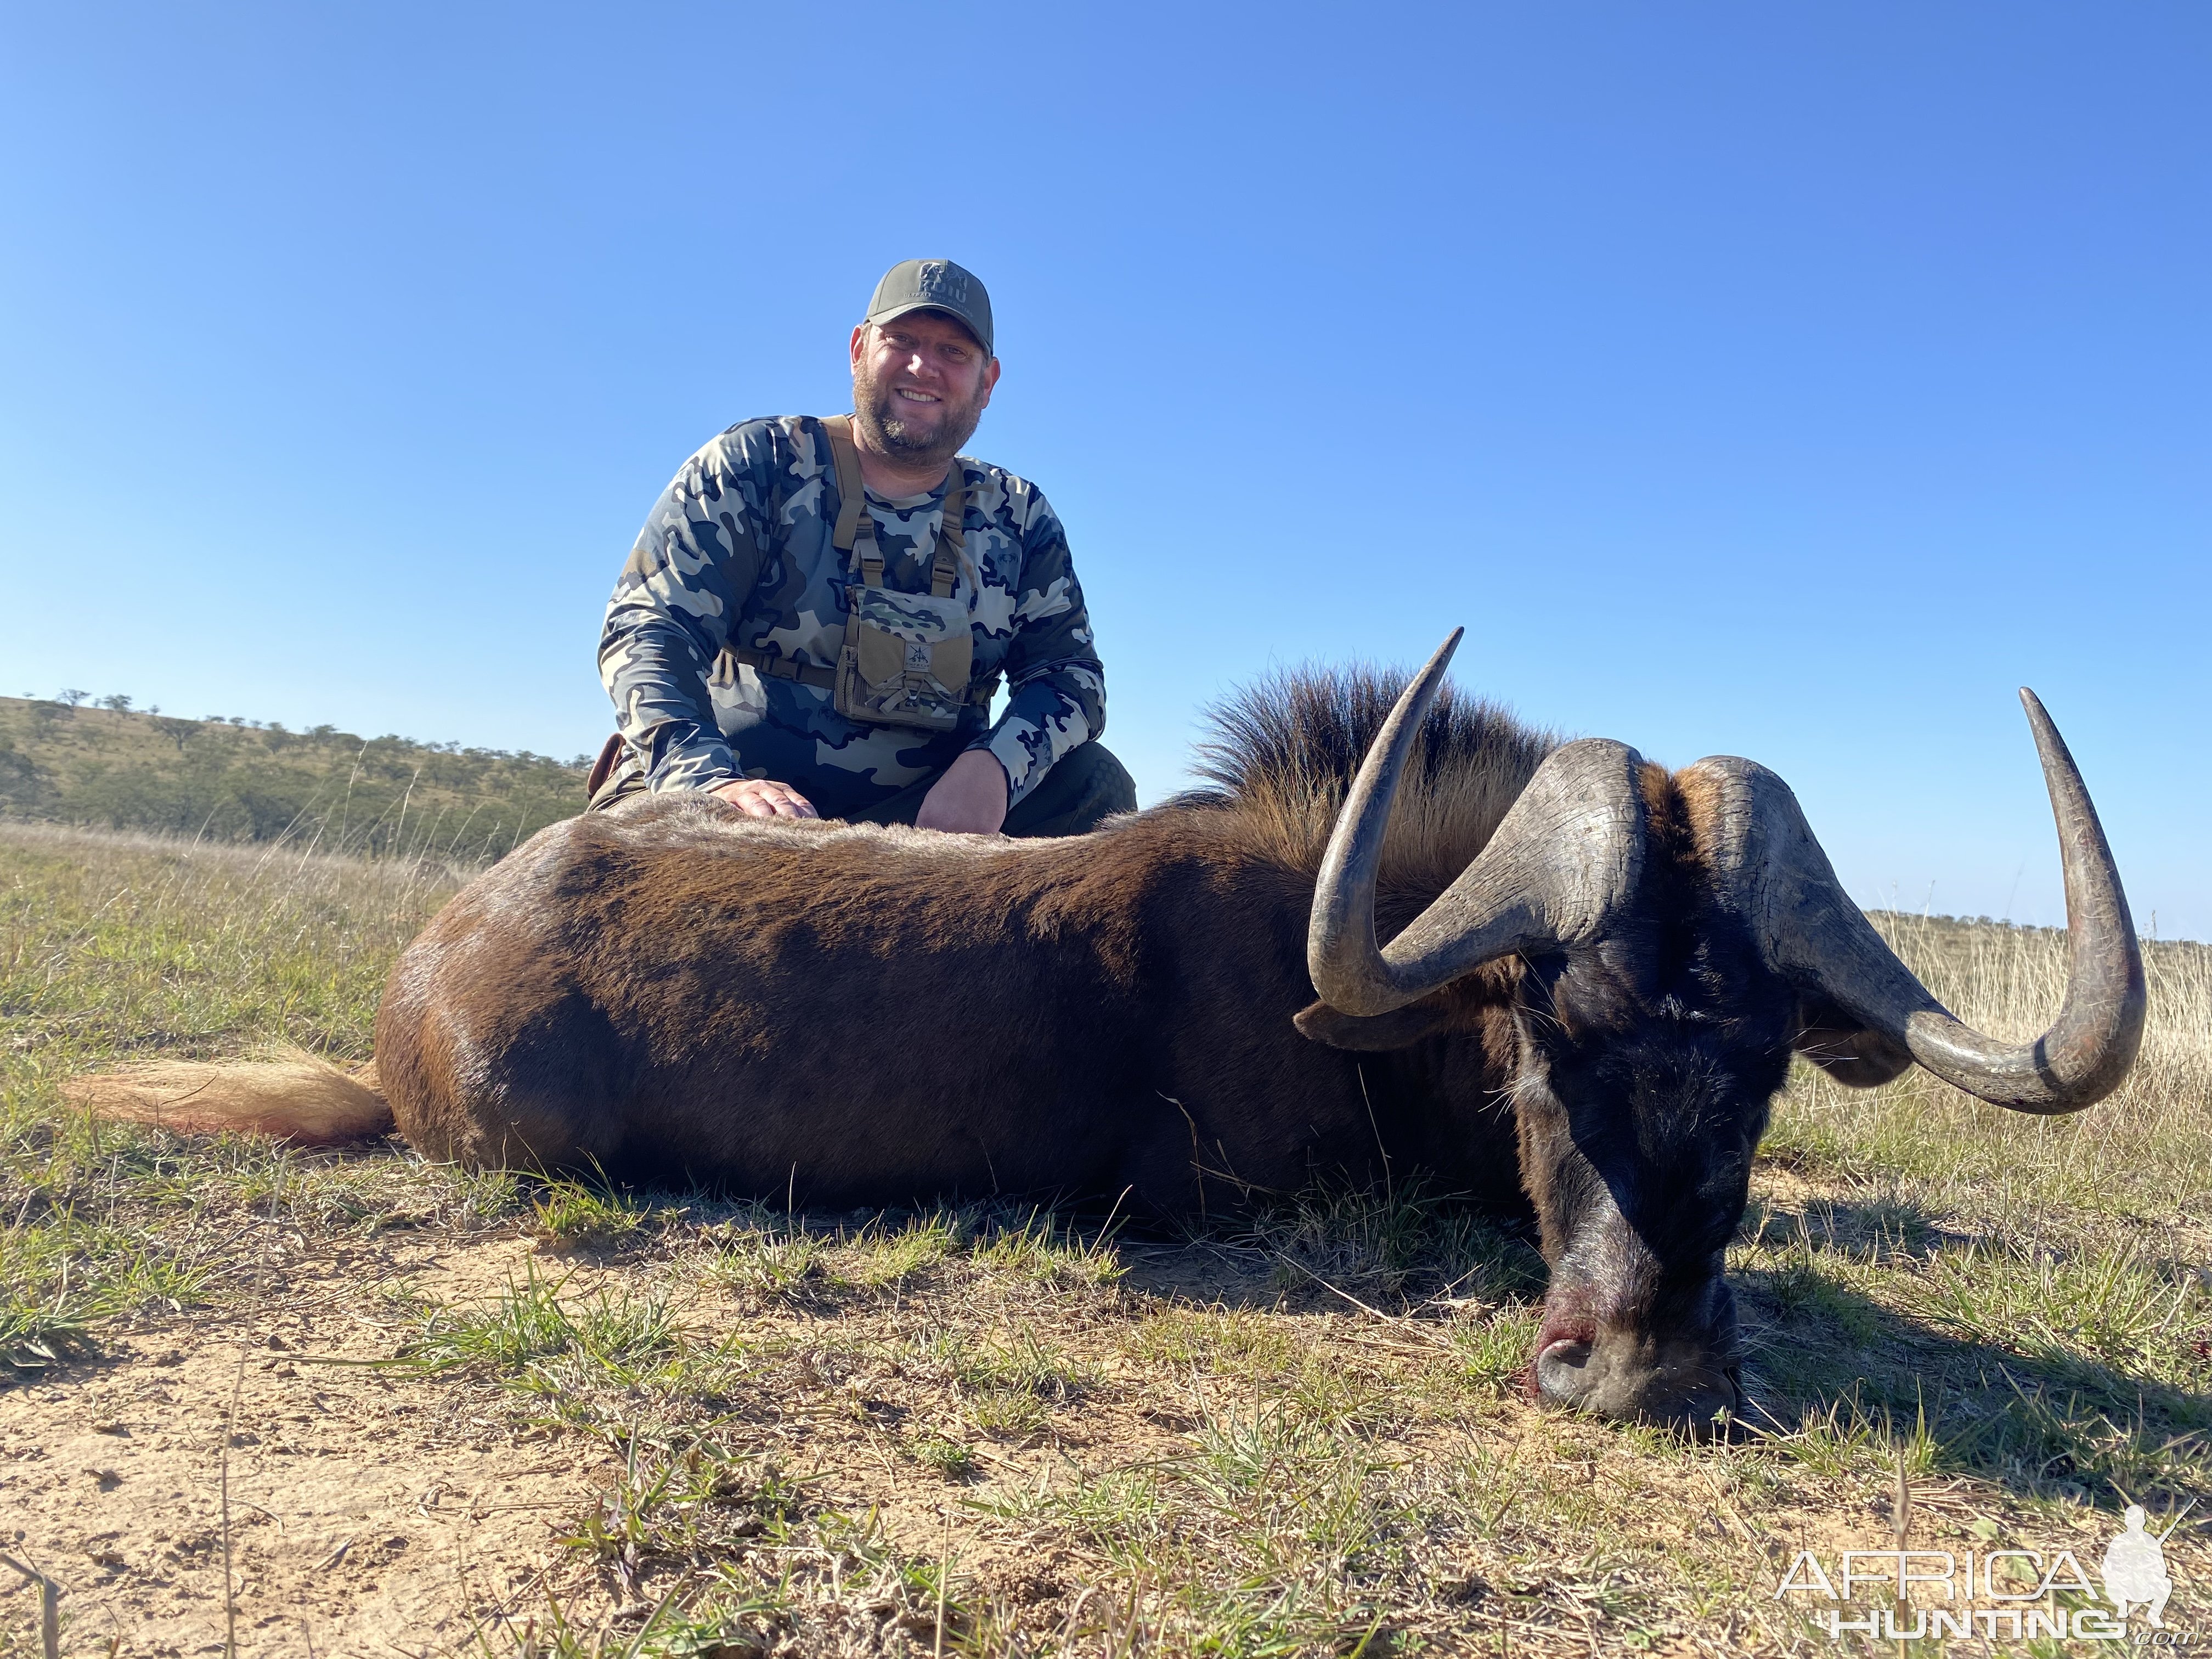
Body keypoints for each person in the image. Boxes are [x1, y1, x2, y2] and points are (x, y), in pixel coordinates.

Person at [591, 258, 1135, 837]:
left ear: (988, 382)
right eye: (901, 340)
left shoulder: (1019, 515)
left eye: (955, 352)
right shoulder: (759, 462)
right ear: (858, 348)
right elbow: (649, 626)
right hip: (741, 796)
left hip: (929, 819)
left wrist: (997, 768)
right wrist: (708, 780)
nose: (924, 367)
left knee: (1096, 786)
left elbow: (1069, 675)